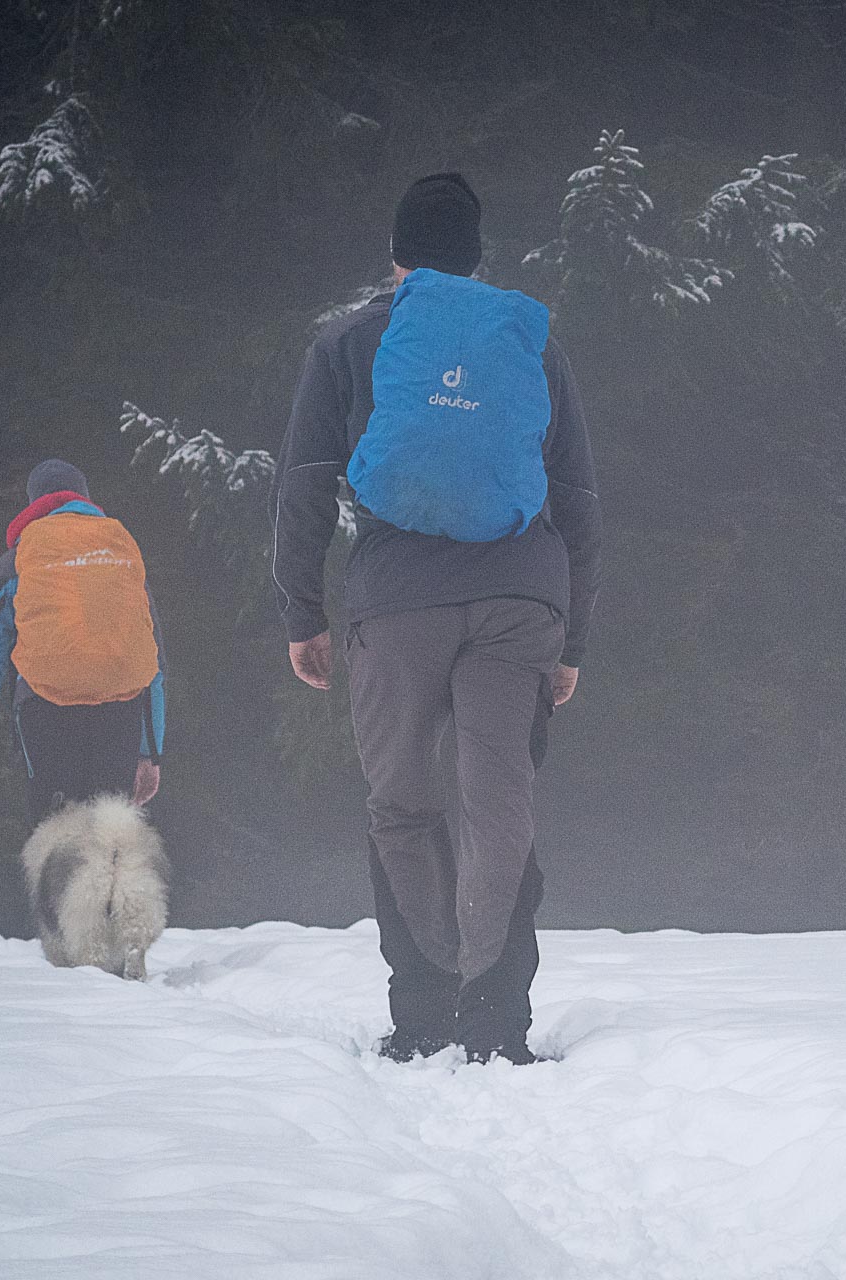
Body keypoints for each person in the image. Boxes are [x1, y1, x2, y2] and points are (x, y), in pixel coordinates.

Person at [272, 172, 603, 1066]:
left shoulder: (348, 342)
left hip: (396, 601)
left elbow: (304, 481)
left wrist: (302, 611)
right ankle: (497, 1016)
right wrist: (570, 638)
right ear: (478, 256)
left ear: (397, 257)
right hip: (520, 598)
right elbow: (574, 496)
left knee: (403, 805)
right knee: (500, 799)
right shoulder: (528, 342)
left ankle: (423, 1011)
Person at [0, 459, 166, 818]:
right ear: (84, 497)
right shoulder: (119, 553)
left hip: (46, 711)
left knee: (54, 823)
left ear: (34, 503)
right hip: (121, 711)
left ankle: (56, 866)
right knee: (110, 826)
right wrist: (150, 752)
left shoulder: (16, 562)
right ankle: (112, 872)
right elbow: (155, 660)